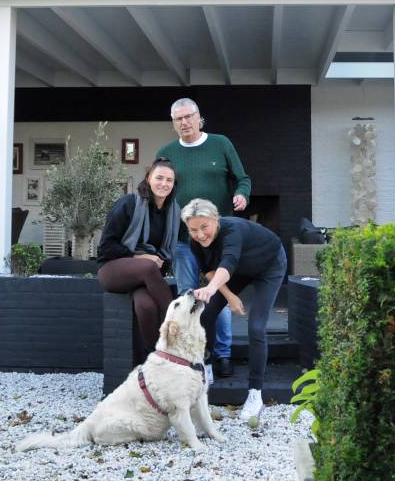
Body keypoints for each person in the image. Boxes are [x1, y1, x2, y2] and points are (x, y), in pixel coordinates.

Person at [156, 97, 251, 379]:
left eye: (189, 116)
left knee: (217, 293)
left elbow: (243, 178)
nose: (184, 122)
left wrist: (242, 194)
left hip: (216, 238)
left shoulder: (221, 144)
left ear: (199, 117)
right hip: (183, 239)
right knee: (188, 296)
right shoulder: (167, 153)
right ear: (173, 123)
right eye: (178, 119)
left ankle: (222, 354)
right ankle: (194, 354)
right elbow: (159, 190)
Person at [183, 198, 286, 421]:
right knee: (205, 314)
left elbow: (227, 263)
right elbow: (209, 269)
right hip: (237, 270)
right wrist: (229, 296)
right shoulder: (194, 242)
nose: (200, 235)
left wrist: (210, 289)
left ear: (216, 219)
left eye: (204, 227)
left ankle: (255, 394)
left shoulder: (232, 231)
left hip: (268, 264)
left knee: (256, 326)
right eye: (193, 230)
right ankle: (206, 368)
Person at [96, 157, 180, 354]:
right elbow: (106, 247)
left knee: (146, 306)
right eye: (159, 178)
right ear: (148, 178)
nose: (164, 184)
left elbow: (167, 251)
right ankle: (179, 326)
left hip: (146, 276)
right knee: (148, 266)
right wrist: (139, 258)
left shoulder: (173, 211)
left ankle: (157, 354)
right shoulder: (129, 203)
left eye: (169, 180)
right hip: (113, 269)